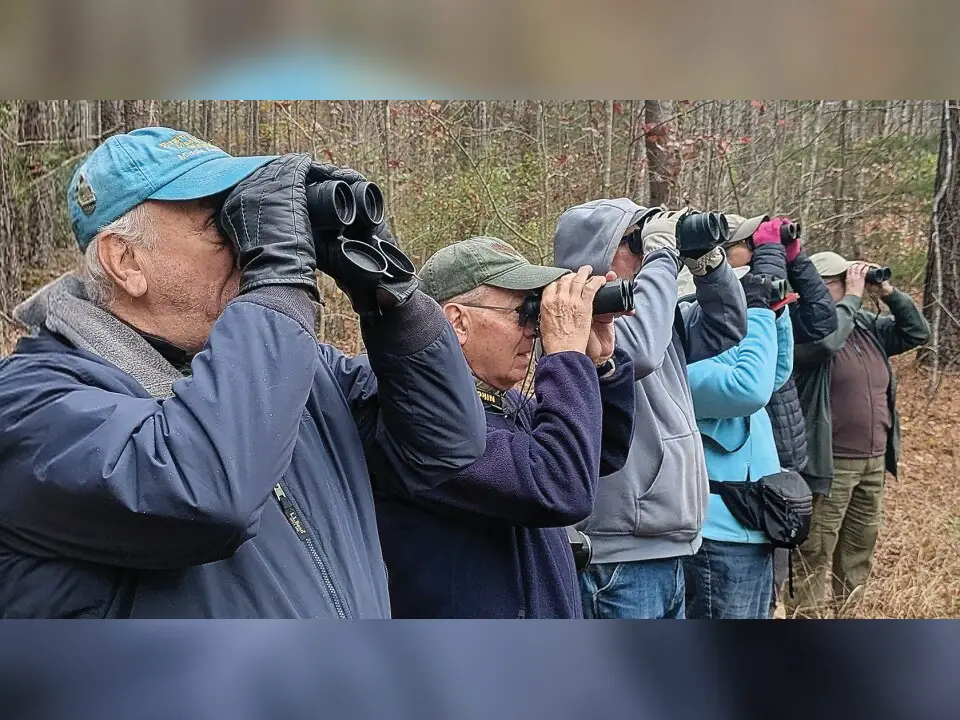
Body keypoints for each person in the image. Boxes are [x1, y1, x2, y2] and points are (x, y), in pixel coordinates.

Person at [0, 127, 487, 618]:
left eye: (249, 218)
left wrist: (391, 293)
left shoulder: (297, 370)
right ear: (126, 261)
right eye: (223, 223)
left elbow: (443, 442)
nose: (248, 243)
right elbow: (202, 494)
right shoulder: (30, 406)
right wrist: (278, 276)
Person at [372, 237, 636, 618]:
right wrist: (565, 357)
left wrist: (600, 366)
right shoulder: (419, 422)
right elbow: (560, 486)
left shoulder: (503, 403)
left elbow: (601, 453)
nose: (535, 328)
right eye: (523, 312)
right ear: (458, 322)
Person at [554, 201, 747, 619]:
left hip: (670, 545)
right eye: (636, 241)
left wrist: (706, 264)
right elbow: (638, 352)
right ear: (599, 250)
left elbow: (727, 324)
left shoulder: (655, 317)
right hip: (617, 556)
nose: (646, 253)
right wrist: (662, 257)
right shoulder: (575, 320)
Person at [785, 252, 930, 617]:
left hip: (872, 460)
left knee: (858, 549)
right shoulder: (801, 325)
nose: (853, 287)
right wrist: (850, 297)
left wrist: (888, 293)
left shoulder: (865, 325)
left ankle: (850, 618)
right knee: (814, 550)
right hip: (828, 462)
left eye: (850, 280)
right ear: (812, 288)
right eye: (840, 281)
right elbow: (828, 342)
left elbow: (917, 332)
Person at [720, 214, 838, 614]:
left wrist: (794, 258)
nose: (758, 254)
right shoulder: (713, 305)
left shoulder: (770, 303)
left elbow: (822, 322)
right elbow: (750, 381)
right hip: (739, 483)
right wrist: (767, 263)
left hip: (777, 467)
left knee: (768, 595)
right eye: (750, 245)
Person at [682, 272, 795, 618]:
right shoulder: (683, 371)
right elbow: (750, 387)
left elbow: (775, 373)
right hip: (719, 538)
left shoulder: (727, 361)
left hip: (752, 527)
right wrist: (757, 313)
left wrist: (777, 313)